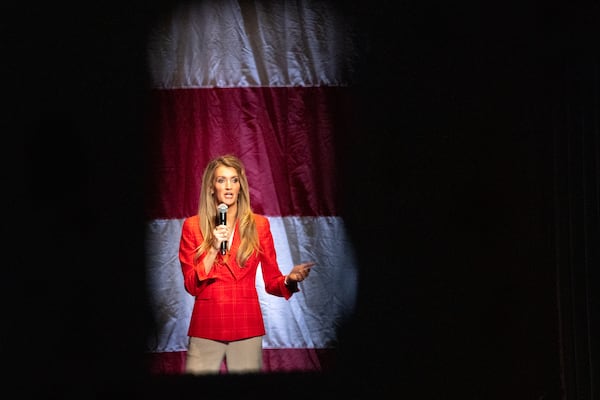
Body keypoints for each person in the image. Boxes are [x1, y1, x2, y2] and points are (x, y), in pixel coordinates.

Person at [179, 154, 315, 374]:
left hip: (246, 323)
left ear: (241, 186)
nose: (229, 186)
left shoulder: (259, 225)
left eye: (234, 180)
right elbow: (191, 285)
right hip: (206, 324)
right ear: (211, 187)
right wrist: (213, 247)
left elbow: (272, 282)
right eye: (221, 180)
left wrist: (289, 280)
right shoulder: (192, 226)